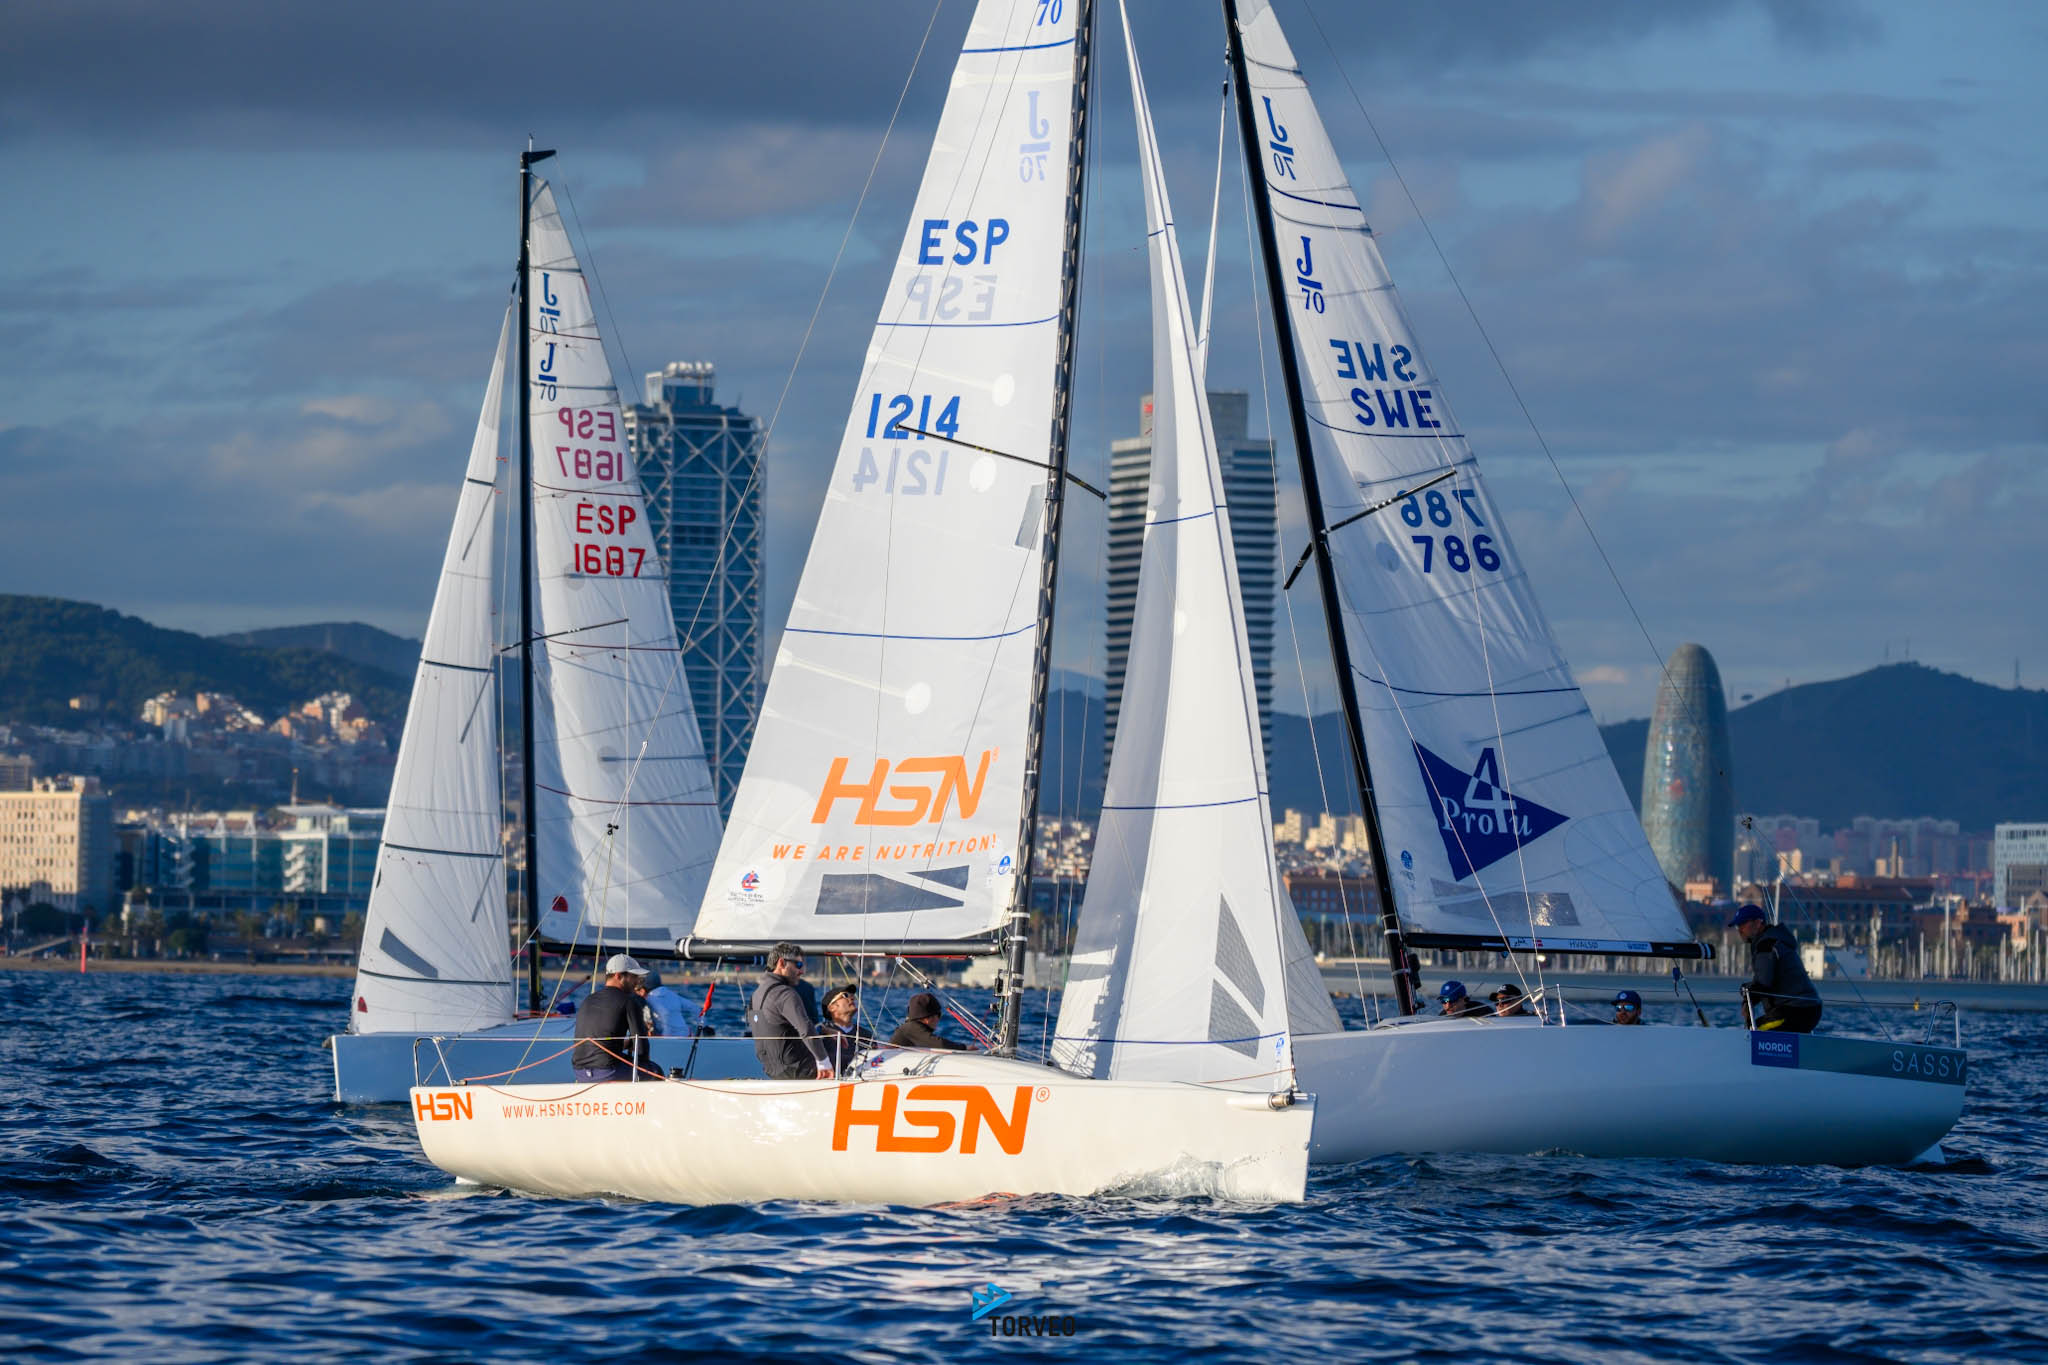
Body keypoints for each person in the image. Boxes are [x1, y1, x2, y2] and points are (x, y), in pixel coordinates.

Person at [1732, 903, 1822, 1033]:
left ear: (1758, 923)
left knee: (1755, 1030)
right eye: (1738, 926)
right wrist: (1750, 996)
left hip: (1795, 1010)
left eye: (1743, 924)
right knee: (1762, 1027)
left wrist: (1746, 995)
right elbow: (1764, 982)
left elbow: (1763, 984)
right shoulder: (1776, 941)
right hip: (1809, 1009)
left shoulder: (1766, 945)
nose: (1740, 929)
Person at [749, 942, 833, 1080]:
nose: (802, 971)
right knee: (844, 1055)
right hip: (797, 1070)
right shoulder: (785, 994)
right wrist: (824, 1062)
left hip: (772, 1070)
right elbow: (806, 1029)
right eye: (798, 965)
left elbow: (775, 1026)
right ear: (782, 963)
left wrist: (820, 1029)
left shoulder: (756, 994)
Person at [572, 953, 658, 1082]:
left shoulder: (588, 1000)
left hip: (580, 1072)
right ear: (618, 976)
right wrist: (644, 1068)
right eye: (634, 976)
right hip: (608, 1071)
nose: (636, 981)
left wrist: (627, 1044)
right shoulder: (629, 1001)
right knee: (655, 1071)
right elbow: (641, 1046)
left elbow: (598, 1044)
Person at [816, 983, 878, 1074]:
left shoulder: (866, 1035)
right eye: (845, 995)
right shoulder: (821, 1033)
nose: (852, 998)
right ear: (831, 1007)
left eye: (852, 996)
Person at [890, 992, 969, 1050]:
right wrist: (964, 1048)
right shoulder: (911, 1028)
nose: (938, 1019)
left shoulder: (909, 1027)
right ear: (928, 1018)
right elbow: (939, 1044)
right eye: (939, 1015)